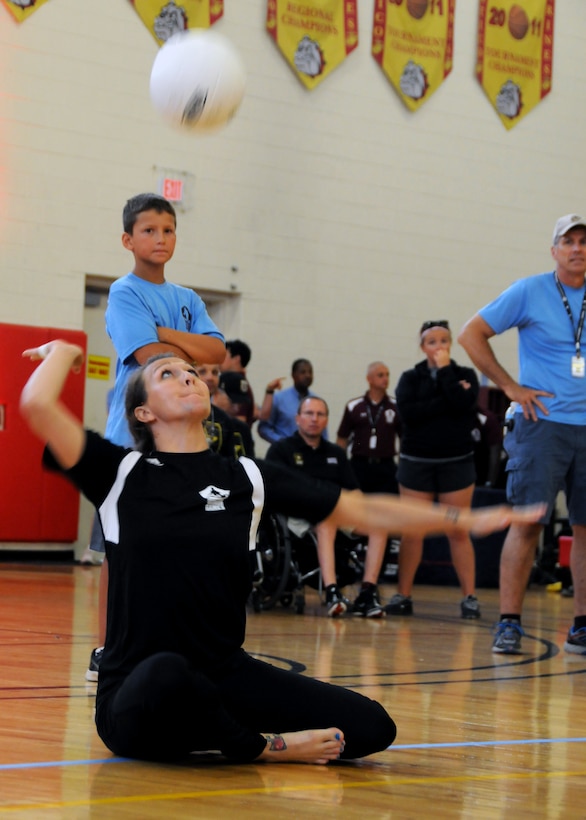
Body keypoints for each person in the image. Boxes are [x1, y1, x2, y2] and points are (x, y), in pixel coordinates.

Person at [20, 340, 543, 764]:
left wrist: (467, 518)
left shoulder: (246, 476)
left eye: (191, 372)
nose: (186, 377)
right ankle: (261, 747)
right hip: (138, 696)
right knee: (167, 672)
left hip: (226, 676)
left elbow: (363, 511)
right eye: (166, 375)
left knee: (370, 726)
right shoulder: (120, 473)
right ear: (143, 412)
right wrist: (65, 351)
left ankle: (217, 733)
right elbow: (38, 405)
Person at [86, 192, 226, 681]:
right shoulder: (124, 293)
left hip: (179, 443)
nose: (160, 238)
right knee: (119, 553)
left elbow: (217, 352)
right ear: (128, 239)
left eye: (167, 230)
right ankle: (106, 649)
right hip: (131, 440)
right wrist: (180, 346)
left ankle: (163, 642)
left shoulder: (187, 299)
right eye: (149, 231)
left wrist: (169, 334)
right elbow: (151, 356)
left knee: (170, 547)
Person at [458, 213, 586, 655]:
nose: (577, 248)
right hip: (541, 426)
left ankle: (581, 626)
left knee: (584, 528)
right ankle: (509, 622)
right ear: (554, 251)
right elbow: (471, 334)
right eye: (568, 241)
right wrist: (510, 387)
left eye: (583, 241)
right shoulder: (530, 290)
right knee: (530, 521)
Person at [390, 321, 481, 620]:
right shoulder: (409, 378)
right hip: (417, 461)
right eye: (432, 341)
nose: (438, 346)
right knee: (413, 531)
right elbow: (410, 415)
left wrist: (445, 375)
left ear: (451, 344)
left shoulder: (465, 375)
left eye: (444, 340)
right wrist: (447, 398)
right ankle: (404, 595)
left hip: (456, 461)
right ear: (422, 346)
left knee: (458, 530)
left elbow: (463, 407)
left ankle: (469, 597)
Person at [266, 396, 359, 617]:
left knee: (377, 525)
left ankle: (368, 592)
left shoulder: (336, 453)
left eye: (320, 414)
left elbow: (355, 492)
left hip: (337, 513)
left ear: (327, 420)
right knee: (326, 520)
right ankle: (332, 591)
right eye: (309, 414)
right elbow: (274, 492)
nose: (314, 419)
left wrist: (362, 510)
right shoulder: (281, 450)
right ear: (298, 419)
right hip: (297, 517)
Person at [336, 361, 402, 617]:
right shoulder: (355, 406)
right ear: (369, 379)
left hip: (386, 468)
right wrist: (340, 469)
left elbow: (404, 438)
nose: (385, 379)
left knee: (383, 522)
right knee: (358, 520)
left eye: (387, 374)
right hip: (359, 467)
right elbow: (342, 439)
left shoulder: (395, 407)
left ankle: (373, 583)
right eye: (380, 375)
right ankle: (353, 574)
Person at [196, 363, 255, 458]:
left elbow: (229, 461)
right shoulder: (179, 413)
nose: (210, 377)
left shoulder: (224, 419)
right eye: (202, 372)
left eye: (215, 372)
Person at [258, 359, 324, 444]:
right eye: (303, 372)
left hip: (310, 453)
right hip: (283, 453)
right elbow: (264, 428)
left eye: (310, 372)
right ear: (293, 375)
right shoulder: (279, 398)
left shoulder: (317, 402)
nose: (307, 375)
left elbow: (323, 432)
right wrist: (282, 443)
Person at [219, 340, 257, 427]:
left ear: (236, 359)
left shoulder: (232, 380)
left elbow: (240, 418)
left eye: (224, 355)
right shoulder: (243, 381)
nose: (219, 359)